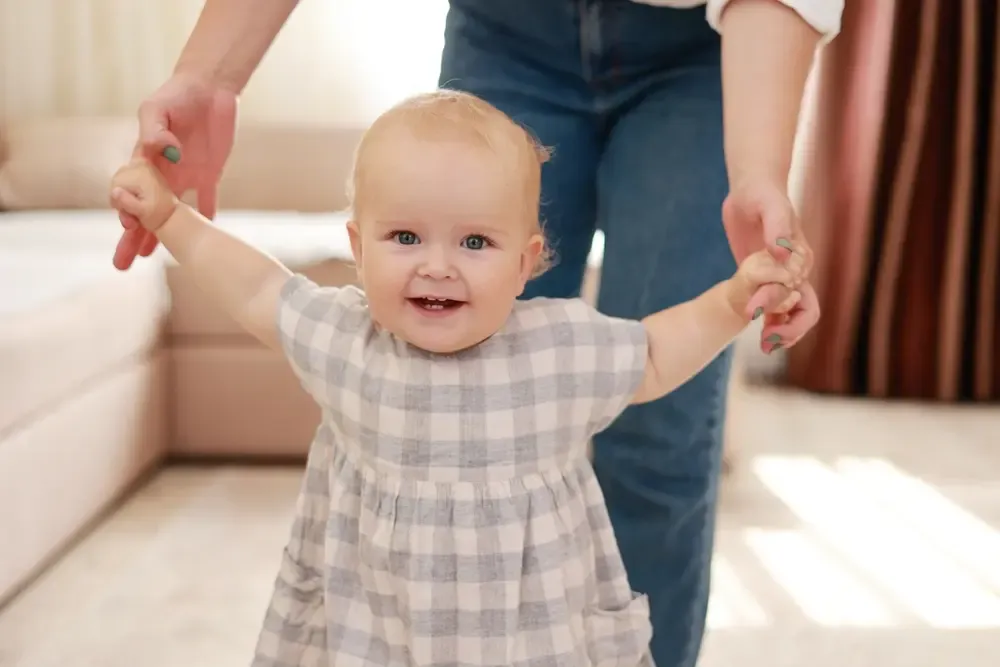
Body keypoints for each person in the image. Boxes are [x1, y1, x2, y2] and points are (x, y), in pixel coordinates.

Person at [112, 1, 840, 665]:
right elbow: (257, 285)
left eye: (475, 245)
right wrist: (175, 214)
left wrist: (736, 295)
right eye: (404, 236)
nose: (438, 267)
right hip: (378, 639)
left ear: (530, 262)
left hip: (532, 643)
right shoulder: (344, 336)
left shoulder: (557, 350)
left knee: (662, 439)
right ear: (356, 247)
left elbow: (652, 354)